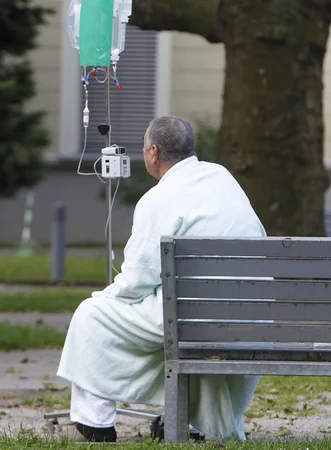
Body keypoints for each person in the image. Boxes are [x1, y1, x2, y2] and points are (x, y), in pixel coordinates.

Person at [56, 116, 267, 442]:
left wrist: (108, 295)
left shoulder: (157, 198)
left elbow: (139, 278)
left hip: (192, 317)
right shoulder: (222, 177)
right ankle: (191, 423)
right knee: (183, 321)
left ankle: (94, 421)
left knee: (91, 314)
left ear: (154, 152)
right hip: (250, 314)